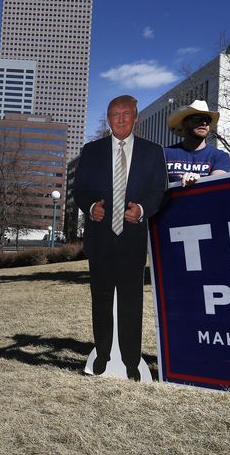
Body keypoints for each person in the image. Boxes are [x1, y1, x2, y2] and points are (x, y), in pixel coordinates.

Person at [73, 95, 168, 381]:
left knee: (130, 302)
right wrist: (91, 207)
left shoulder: (153, 152)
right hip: (101, 239)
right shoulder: (92, 151)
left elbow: (159, 191)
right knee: (100, 301)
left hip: (133, 239)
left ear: (136, 117)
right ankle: (102, 354)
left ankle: (130, 361)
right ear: (108, 118)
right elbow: (80, 190)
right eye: (115, 114)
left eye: (127, 114)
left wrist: (141, 210)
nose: (121, 119)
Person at [164, 99, 230, 186]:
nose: (204, 123)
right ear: (184, 124)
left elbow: (217, 185)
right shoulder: (165, 154)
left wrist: (198, 181)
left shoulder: (220, 156)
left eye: (208, 120)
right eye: (197, 118)